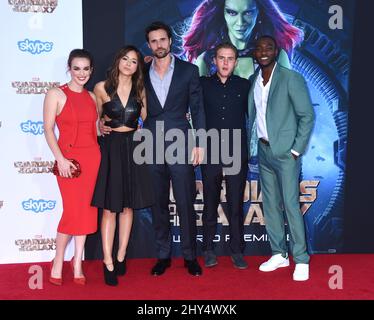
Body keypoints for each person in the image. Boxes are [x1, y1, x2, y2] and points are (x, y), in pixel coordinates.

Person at [247, 35, 315, 281]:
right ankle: (279, 254)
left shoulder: (290, 78)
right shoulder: (255, 80)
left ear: (276, 51)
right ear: (254, 53)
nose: (264, 51)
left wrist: (296, 149)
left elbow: (306, 115)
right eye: (260, 48)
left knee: (290, 205)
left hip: (286, 154)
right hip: (264, 153)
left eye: (269, 47)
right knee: (271, 206)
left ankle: (302, 259)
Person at [144, 21, 206, 276]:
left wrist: (200, 143)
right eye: (154, 41)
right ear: (149, 45)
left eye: (162, 39)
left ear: (170, 41)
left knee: (185, 201)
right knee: (158, 203)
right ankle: (163, 255)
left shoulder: (188, 71)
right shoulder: (141, 72)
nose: (159, 44)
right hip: (150, 144)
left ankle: (190, 256)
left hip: (181, 142)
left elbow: (198, 109)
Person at [91, 45, 154, 286]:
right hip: (112, 148)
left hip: (133, 146)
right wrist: (99, 126)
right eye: (125, 59)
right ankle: (107, 261)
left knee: (128, 206)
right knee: (110, 207)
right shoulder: (101, 88)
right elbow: (96, 119)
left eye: (134, 61)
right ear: (118, 60)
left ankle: (121, 256)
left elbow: (144, 116)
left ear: (138, 66)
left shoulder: (140, 88)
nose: (129, 64)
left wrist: (137, 122)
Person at [43, 49, 101, 286]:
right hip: (69, 162)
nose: (81, 73)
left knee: (87, 211)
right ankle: (58, 260)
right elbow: (48, 129)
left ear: (91, 71)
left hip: (92, 160)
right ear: (69, 68)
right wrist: (60, 159)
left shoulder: (92, 97)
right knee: (72, 211)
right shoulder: (55, 93)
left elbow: (95, 131)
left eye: (86, 69)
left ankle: (77, 262)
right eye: (76, 68)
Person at [200, 42, 250, 269]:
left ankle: (237, 250)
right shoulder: (202, 85)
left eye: (230, 58)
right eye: (222, 58)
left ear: (236, 62)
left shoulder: (245, 85)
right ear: (215, 60)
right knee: (209, 202)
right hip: (210, 152)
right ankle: (208, 249)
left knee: (235, 204)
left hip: (235, 153)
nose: (226, 62)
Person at [182, 0, 303, 78]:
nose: (240, 22)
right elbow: (196, 113)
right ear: (222, 14)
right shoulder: (206, 60)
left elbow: (288, 108)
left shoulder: (277, 57)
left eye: (248, 13)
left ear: (258, 13)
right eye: (232, 13)